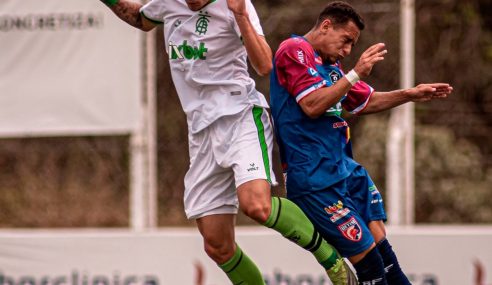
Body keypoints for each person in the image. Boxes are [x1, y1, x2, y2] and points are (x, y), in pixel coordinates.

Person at [100, 0, 357, 284]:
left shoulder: (236, 5)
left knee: (256, 205)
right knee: (216, 244)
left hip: (240, 116)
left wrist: (240, 15)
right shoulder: (168, 3)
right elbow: (140, 18)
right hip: (200, 130)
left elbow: (263, 64)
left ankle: (332, 260)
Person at [269, 1, 453, 284]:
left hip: (345, 170)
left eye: (352, 45)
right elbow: (311, 104)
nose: (347, 51)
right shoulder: (293, 50)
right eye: (346, 41)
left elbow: (363, 101)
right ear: (326, 25)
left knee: (387, 258)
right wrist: (355, 72)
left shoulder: (332, 67)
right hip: (315, 179)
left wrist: (410, 93)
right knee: (372, 268)